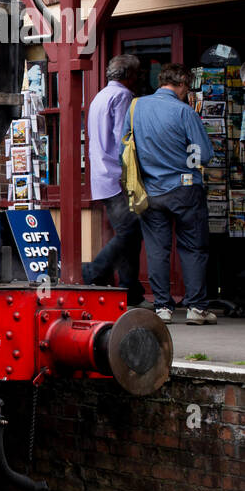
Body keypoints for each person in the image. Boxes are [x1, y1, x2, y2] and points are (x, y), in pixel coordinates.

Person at [130, 63, 216, 325]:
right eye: (186, 88)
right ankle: (195, 308)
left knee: (157, 249)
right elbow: (204, 153)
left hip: (150, 190)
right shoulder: (184, 111)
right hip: (185, 188)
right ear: (180, 84)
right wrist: (185, 161)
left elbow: (124, 142)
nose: (186, 93)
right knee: (193, 248)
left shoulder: (137, 107)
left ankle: (163, 308)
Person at [82, 54, 145, 306]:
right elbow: (124, 140)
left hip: (101, 173)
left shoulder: (100, 96)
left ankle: (131, 291)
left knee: (128, 233)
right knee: (130, 232)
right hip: (116, 175)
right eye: (138, 75)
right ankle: (93, 271)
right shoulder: (123, 97)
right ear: (130, 75)